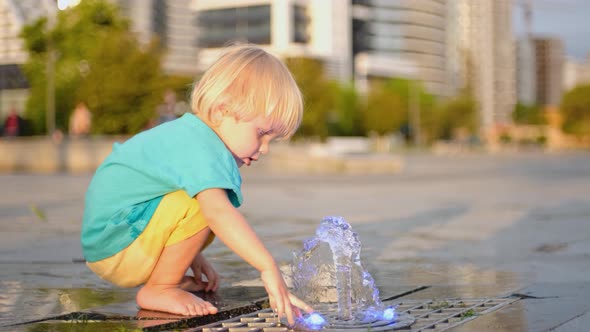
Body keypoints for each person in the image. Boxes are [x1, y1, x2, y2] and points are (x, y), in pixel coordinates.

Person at [81, 45, 311, 324]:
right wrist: (267, 267)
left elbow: (155, 198)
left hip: (114, 239)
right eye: (261, 133)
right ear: (222, 110)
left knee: (206, 200)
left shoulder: (191, 136)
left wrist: (190, 255)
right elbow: (217, 213)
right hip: (115, 245)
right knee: (211, 205)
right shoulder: (202, 146)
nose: (265, 149)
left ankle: (168, 278)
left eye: (272, 140)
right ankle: (160, 288)